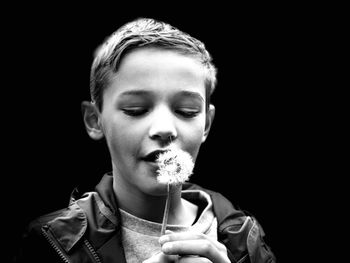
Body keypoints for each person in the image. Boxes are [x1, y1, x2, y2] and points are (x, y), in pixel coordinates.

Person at [15, 17, 276, 263]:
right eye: (136, 110)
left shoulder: (246, 241)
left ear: (206, 123)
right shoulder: (49, 242)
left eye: (186, 111)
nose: (164, 129)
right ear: (95, 120)